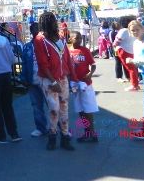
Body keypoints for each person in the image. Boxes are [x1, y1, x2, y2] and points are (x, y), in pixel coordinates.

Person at [34, 11, 76, 151]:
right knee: (54, 109)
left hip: (63, 77)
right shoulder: (40, 40)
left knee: (64, 108)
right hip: (48, 80)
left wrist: (72, 77)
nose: (54, 23)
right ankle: (52, 135)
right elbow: (42, 64)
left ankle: (65, 137)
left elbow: (67, 59)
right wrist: (53, 82)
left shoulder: (61, 37)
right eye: (52, 21)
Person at [69, 31, 99, 142]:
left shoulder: (85, 50)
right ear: (71, 39)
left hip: (86, 84)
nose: (79, 40)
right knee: (80, 109)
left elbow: (93, 65)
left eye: (80, 38)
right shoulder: (68, 52)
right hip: (74, 84)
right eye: (77, 38)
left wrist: (90, 74)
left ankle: (92, 132)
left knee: (88, 109)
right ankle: (87, 132)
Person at [21, 22, 48, 137]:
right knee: (36, 106)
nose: (35, 32)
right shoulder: (27, 46)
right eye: (33, 30)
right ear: (31, 32)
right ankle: (41, 128)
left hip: (47, 80)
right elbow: (24, 63)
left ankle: (60, 128)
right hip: (32, 81)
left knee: (53, 105)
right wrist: (23, 78)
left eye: (37, 30)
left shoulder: (47, 45)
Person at [113, 16, 140, 91]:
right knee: (133, 68)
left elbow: (116, 42)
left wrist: (114, 46)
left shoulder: (123, 31)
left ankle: (134, 85)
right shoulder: (132, 30)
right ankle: (135, 83)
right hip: (132, 51)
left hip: (123, 51)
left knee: (131, 69)